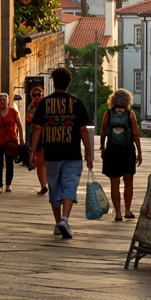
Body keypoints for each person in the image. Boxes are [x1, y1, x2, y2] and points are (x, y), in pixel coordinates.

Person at [31, 66, 94, 239]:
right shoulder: (76, 103)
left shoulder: (44, 103)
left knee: (54, 187)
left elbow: (37, 128)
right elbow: (82, 130)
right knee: (69, 186)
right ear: (69, 83)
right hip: (72, 152)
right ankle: (65, 219)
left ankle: (58, 222)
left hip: (51, 152)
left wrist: (32, 152)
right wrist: (89, 153)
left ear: (54, 82)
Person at [99, 89, 143, 222]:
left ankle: (118, 213)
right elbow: (135, 134)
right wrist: (139, 152)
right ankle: (127, 211)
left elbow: (103, 132)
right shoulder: (131, 115)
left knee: (114, 183)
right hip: (127, 150)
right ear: (127, 101)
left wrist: (102, 147)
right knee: (128, 182)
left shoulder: (108, 113)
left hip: (112, 151)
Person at [0, 91, 23, 193]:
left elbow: (19, 125)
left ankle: (8, 184)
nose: (2, 102)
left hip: (11, 141)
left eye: (4, 100)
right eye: (0, 100)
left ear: (7, 101)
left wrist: (21, 139)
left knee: (9, 163)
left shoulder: (12, 111)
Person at [24, 85, 50, 194]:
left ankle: (48, 182)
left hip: (48, 135)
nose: (37, 97)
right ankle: (43, 185)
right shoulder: (31, 107)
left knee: (47, 161)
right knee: (40, 162)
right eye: (34, 95)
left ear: (42, 94)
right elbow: (31, 118)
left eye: (39, 94)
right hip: (37, 135)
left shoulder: (48, 105)